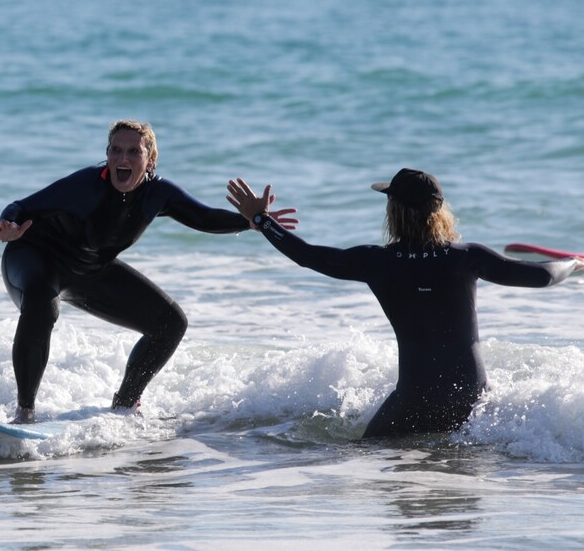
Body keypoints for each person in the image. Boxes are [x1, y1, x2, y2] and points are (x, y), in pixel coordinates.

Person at [227, 170, 584, 438]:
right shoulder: (466, 258)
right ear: (440, 211)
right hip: (471, 399)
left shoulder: (376, 261)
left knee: (366, 461)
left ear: (393, 211)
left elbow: (306, 255)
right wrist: (572, 262)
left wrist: (262, 220)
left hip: (414, 399)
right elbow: (542, 276)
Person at [0, 119, 297, 424]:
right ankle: (24, 413)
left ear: (150, 161)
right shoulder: (86, 185)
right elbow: (21, 206)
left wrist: (252, 221)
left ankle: (124, 407)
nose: (122, 158)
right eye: (115, 150)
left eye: (133, 152)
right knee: (42, 307)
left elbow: (203, 217)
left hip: (88, 270)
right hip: (33, 256)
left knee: (170, 323)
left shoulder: (158, 194)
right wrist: (9, 226)